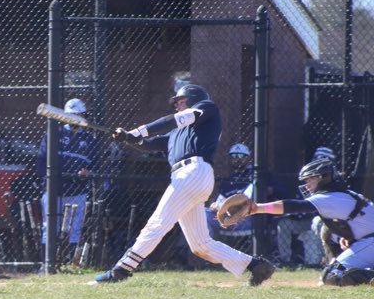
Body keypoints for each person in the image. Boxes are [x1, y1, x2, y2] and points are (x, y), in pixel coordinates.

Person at [92, 84, 275, 286]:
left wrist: (138, 131)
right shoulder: (176, 134)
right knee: (200, 245)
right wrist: (126, 137)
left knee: (157, 223)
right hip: (188, 177)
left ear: (193, 98)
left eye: (180, 101)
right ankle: (256, 266)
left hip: (194, 172)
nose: (177, 106)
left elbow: (168, 121)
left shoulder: (207, 108)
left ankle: (121, 270)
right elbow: (150, 143)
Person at [240, 157, 374, 286]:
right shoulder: (339, 195)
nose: (307, 184)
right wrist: (352, 236)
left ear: (323, 178)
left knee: (331, 276)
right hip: (368, 240)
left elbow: (292, 206)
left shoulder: (328, 197)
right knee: (327, 232)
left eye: (311, 179)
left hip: (370, 241)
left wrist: (257, 208)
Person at [36, 98, 97, 262]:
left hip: (77, 191)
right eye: (70, 116)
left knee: (74, 228)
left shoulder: (90, 140)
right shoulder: (54, 134)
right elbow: (41, 162)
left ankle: (69, 263)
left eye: (77, 116)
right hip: (53, 190)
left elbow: (96, 166)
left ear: (83, 116)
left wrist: (88, 173)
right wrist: (49, 181)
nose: (74, 120)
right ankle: (47, 263)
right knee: (49, 227)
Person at [275, 146, 336, 266]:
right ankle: (285, 260)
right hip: (302, 220)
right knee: (283, 223)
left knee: (317, 222)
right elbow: (299, 204)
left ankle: (321, 261)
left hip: (325, 222)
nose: (312, 179)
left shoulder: (335, 186)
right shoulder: (309, 183)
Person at [206, 143, 253, 239]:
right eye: (234, 156)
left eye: (241, 156)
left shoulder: (254, 176)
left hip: (246, 220)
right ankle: (204, 247)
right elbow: (217, 202)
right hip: (225, 218)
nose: (237, 159)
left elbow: (247, 201)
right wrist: (214, 205)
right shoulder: (227, 182)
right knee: (203, 213)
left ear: (248, 158)